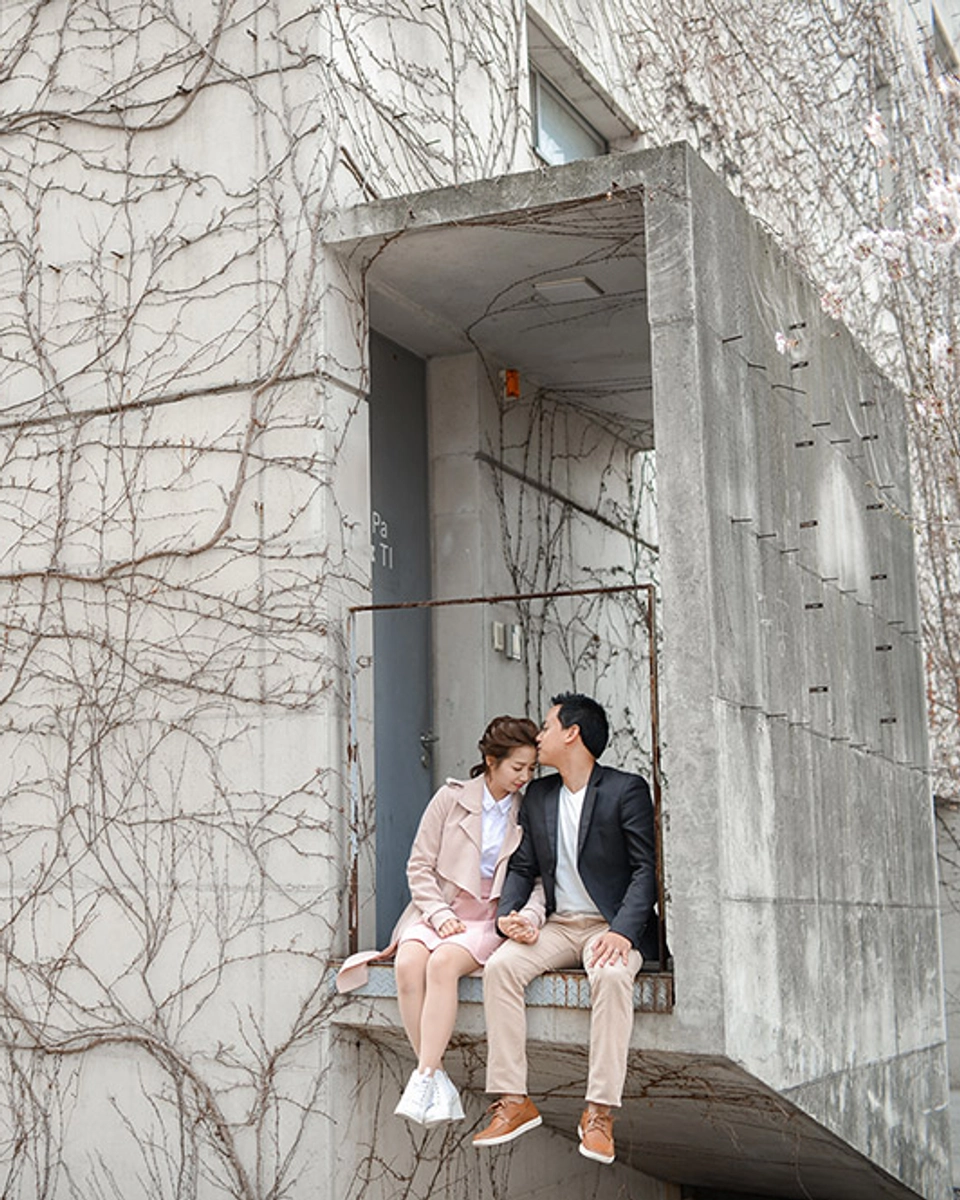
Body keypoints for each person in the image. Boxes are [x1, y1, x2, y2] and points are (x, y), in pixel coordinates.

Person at [472, 692, 659, 1166]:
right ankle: (513, 1101)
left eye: (548, 726)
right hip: (557, 926)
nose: (539, 735)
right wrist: (510, 916)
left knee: (614, 977)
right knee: (500, 969)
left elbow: (645, 870)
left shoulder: (626, 789)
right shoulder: (539, 795)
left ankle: (599, 1114)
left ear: (572, 733)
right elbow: (524, 867)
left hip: (610, 927)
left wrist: (622, 930)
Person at [336, 715, 543, 1125]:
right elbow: (419, 866)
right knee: (410, 963)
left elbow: (538, 879)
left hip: (489, 919)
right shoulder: (449, 800)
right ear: (490, 760)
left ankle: (425, 1077)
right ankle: (435, 1076)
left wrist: (526, 917)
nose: (525, 776)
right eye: (518, 767)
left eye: (532, 768)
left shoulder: (529, 811)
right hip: (438, 910)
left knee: (443, 963)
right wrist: (440, 913)